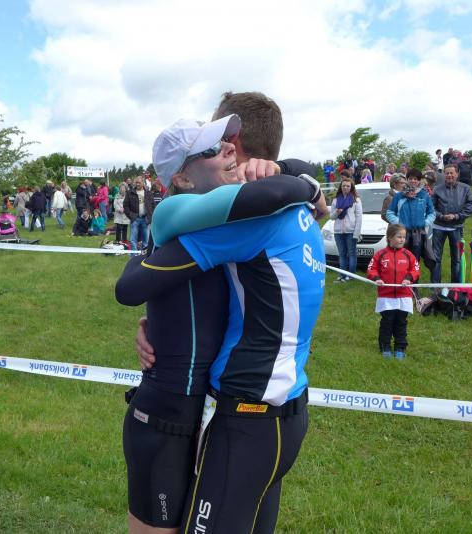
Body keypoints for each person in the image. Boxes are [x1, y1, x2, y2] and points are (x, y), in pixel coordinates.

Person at [117, 113, 325, 534]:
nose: (229, 148)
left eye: (231, 141)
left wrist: (295, 177)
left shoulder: (246, 221)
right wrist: (305, 184)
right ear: (182, 178)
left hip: (239, 412)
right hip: (174, 412)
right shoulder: (204, 217)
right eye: (215, 147)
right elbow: (131, 287)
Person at [367, 224, 420, 359]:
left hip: (404, 296)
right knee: (387, 322)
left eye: (404, 237)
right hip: (386, 296)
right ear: (390, 238)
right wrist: (377, 278)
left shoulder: (408, 255)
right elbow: (372, 269)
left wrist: (409, 278)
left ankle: (400, 348)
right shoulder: (380, 254)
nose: (402, 239)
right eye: (399, 237)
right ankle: (385, 346)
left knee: (401, 322)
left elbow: (415, 269)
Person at [430, 164, 472, 283]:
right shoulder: (437, 189)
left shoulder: (465, 188)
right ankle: (435, 286)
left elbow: (471, 205)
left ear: (457, 174)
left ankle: (455, 287)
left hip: (457, 227)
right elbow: (431, 207)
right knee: (435, 258)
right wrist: (441, 216)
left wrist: (457, 216)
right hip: (438, 227)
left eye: (452, 173)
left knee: (457, 258)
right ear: (444, 174)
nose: (449, 175)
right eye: (447, 173)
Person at [386, 168, 435, 265]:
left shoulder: (424, 195)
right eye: (411, 178)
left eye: (416, 179)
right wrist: (399, 223)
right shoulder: (399, 196)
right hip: (402, 233)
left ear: (419, 181)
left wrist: (425, 222)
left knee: (415, 260)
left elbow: (432, 213)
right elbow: (389, 213)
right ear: (407, 180)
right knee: (401, 259)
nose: (413, 181)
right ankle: (401, 274)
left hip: (418, 233)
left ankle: (414, 275)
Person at [330, 176, 362, 282]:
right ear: (341, 187)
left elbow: (359, 218)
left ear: (351, 187)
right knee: (342, 254)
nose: (345, 188)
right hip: (338, 231)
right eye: (343, 186)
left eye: (348, 186)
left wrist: (356, 233)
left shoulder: (356, 200)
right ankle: (342, 275)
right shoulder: (336, 200)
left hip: (351, 231)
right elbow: (331, 217)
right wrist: (337, 212)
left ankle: (351, 275)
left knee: (352, 254)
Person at [124, 176, 155, 251]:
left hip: (146, 219)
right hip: (135, 218)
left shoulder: (148, 193)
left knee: (146, 240)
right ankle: (133, 256)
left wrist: (150, 216)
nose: (137, 184)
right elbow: (126, 205)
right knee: (133, 240)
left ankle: (145, 256)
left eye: (139, 182)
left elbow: (153, 205)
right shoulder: (130, 192)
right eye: (136, 182)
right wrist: (131, 216)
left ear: (143, 183)